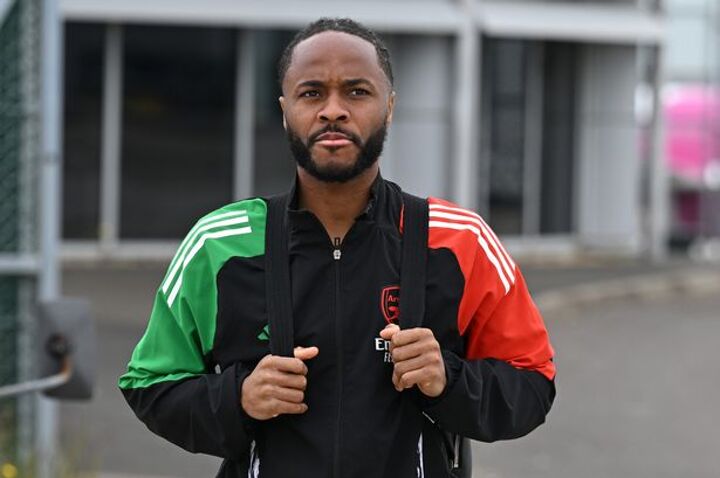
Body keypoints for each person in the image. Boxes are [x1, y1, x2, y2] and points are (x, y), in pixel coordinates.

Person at [119, 17, 556, 478]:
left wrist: (449, 379)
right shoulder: (219, 244)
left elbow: (533, 383)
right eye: (311, 93)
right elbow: (149, 383)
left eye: (356, 92)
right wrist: (238, 398)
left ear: (389, 107)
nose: (333, 111)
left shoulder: (461, 240)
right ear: (285, 110)